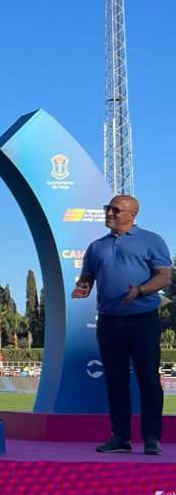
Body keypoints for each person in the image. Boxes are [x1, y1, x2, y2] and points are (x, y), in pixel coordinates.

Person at [72, 194, 172, 455]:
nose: (110, 213)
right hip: (109, 321)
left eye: (116, 210)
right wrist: (83, 288)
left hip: (143, 320)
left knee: (148, 379)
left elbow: (164, 277)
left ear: (132, 215)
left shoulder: (151, 240)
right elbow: (87, 277)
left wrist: (139, 291)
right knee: (116, 381)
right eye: (108, 208)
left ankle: (152, 438)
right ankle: (120, 438)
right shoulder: (96, 247)